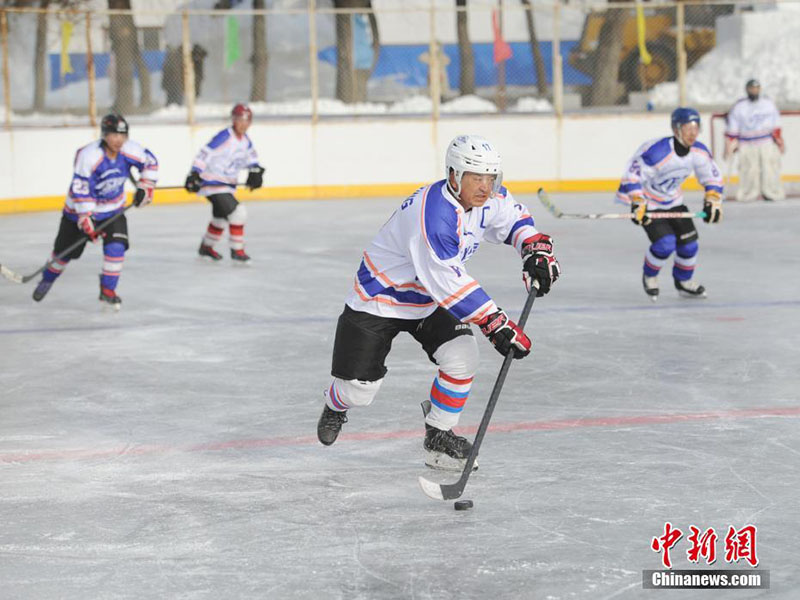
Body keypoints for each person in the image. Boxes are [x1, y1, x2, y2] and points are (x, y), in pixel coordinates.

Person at [316, 135, 561, 471]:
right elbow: (448, 282)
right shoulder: (435, 214)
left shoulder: (488, 197)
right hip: (379, 300)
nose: (485, 187)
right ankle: (335, 403)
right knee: (359, 391)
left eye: (491, 178)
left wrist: (533, 247)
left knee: (462, 358)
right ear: (454, 175)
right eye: (476, 178)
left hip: (429, 300)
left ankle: (438, 437)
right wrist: (495, 322)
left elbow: (513, 220)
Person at [31, 113, 158, 309]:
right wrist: (85, 218)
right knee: (64, 255)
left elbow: (150, 162)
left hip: (113, 210)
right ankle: (47, 279)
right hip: (77, 212)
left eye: (123, 135)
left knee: (116, 247)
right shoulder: (89, 155)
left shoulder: (130, 150)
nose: (119, 140)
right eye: (114, 135)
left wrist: (145, 187)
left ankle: (108, 290)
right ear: (105, 135)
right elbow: (80, 188)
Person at [616, 107, 723, 302]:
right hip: (650, 203)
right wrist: (638, 202)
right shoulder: (658, 152)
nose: (692, 132)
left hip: (674, 202)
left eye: (696, 127)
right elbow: (632, 176)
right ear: (676, 129)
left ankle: (683, 282)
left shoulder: (698, 152)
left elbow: (712, 178)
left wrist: (712, 199)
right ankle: (650, 275)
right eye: (687, 127)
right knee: (665, 244)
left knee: (689, 245)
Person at [184, 103, 265, 263]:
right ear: (233, 120)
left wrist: (255, 172)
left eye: (247, 120)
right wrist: (194, 173)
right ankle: (237, 250)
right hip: (212, 184)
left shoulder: (245, 141)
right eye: (240, 119)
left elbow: (252, 159)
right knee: (238, 213)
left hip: (226, 186)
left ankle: (206, 247)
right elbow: (205, 154)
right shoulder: (225, 136)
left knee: (220, 219)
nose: (243, 124)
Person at [724, 79, 785, 202]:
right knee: (749, 170)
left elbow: (776, 124)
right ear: (747, 89)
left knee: (770, 169)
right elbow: (733, 126)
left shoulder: (768, 104)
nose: (754, 91)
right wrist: (731, 143)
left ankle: (772, 193)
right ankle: (748, 194)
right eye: (752, 88)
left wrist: (779, 140)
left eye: (757, 88)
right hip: (747, 143)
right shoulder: (739, 106)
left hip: (766, 142)